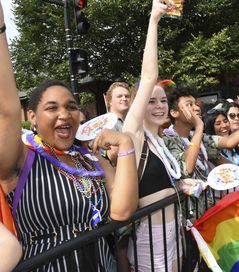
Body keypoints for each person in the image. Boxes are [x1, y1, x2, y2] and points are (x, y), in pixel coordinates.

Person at [0, 3, 138, 270]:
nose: (65, 114)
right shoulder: (21, 158)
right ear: (31, 117)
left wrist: (126, 143)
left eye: (71, 107)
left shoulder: (90, 160)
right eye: (52, 108)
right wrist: (1, 29)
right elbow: (6, 112)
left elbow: (122, 211)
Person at [122, 1, 184, 271]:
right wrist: (154, 20)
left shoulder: (160, 141)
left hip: (175, 232)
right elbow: (149, 76)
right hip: (151, 241)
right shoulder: (133, 134)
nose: (160, 106)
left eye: (163, 101)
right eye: (152, 101)